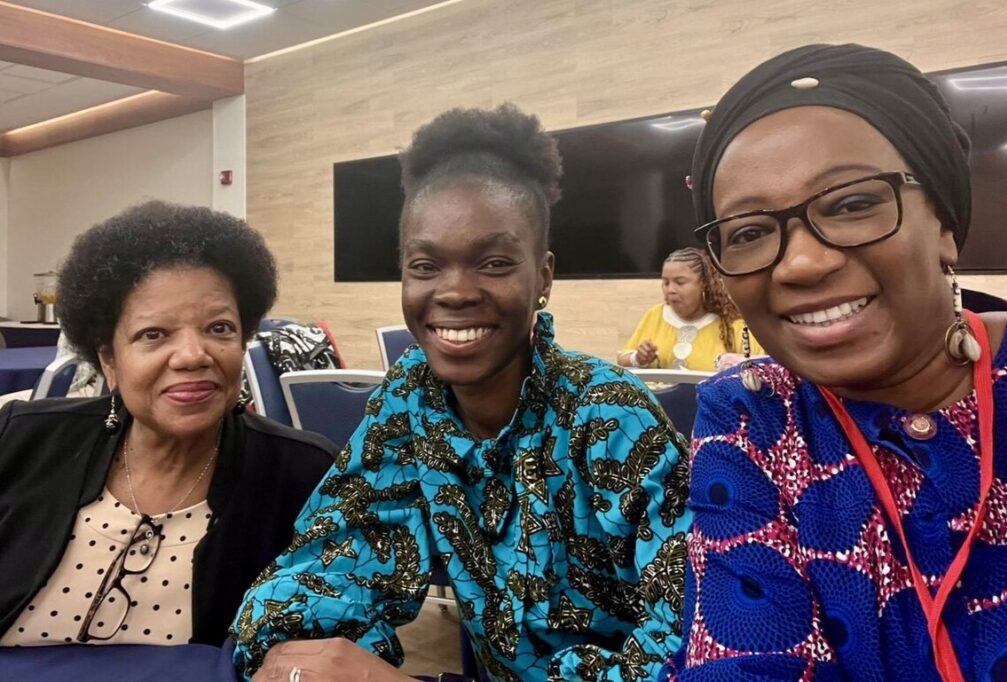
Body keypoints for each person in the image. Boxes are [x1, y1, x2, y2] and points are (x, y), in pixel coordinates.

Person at [231, 104, 691, 682]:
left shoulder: (609, 416)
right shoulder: (411, 403)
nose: (454, 291)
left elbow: (692, 640)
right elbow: (329, 560)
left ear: (543, 275)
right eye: (426, 265)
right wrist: (303, 650)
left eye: (494, 263)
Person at [660, 44, 1007, 681]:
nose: (801, 263)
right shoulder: (754, 414)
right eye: (748, 233)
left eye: (852, 204)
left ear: (943, 222)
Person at [0, 201, 336, 648]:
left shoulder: (303, 477)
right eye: (154, 334)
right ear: (109, 361)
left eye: (219, 328)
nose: (194, 355)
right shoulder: (21, 442)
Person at [617, 248, 762, 372]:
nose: (670, 290)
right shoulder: (655, 315)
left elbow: (761, 367)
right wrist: (638, 358)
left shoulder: (733, 322)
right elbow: (622, 359)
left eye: (680, 282)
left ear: (704, 284)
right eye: (666, 282)